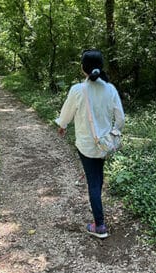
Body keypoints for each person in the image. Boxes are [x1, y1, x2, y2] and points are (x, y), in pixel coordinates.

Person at [55, 49, 125, 238]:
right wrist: (113, 134)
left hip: (86, 144)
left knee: (94, 182)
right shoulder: (110, 89)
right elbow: (120, 119)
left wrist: (62, 125)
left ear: (82, 68)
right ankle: (93, 175)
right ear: (100, 67)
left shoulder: (78, 89)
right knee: (97, 175)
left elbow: (66, 113)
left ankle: (99, 225)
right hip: (105, 145)